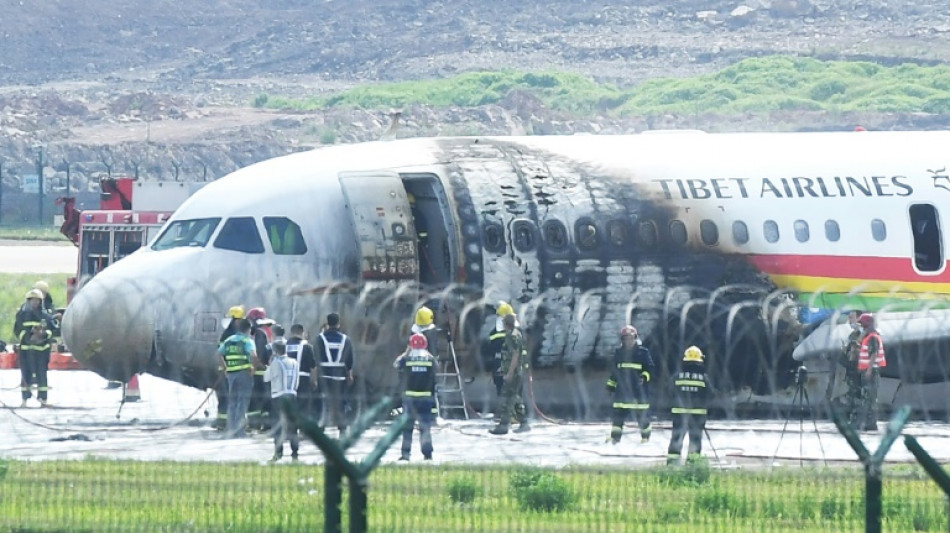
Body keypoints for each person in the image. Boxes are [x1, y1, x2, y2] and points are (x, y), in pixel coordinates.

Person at [606, 325, 655, 444]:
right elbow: (615, 372)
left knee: (642, 416)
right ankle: (615, 438)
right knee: (618, 417)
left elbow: (650, 368)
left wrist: (644, 377)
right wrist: (610, 386)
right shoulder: (619, 353)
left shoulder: (643, 352)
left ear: (635, 338)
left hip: (638, 391)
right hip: (622, 391)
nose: (628, 341)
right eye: (625, 338)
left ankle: (645, 438)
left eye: (630, 338)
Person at [393, 333, 437, 461]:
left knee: (407, 429)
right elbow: (435, 378)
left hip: (410, 399)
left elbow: (396, 364)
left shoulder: (407, 359)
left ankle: (405, 455)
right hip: (426, 399)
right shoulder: (430, 359)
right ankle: (427, 454)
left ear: (411, 345)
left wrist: (406, 352)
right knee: (425, 428)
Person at [667, 345, 709, 465]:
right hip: (697, 416)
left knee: (676, 438)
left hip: (679, 414)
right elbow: (711, 395)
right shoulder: (703, 378)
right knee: (695, 440)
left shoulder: (676, 376)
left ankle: (672, 464)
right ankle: (693, 465)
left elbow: (669, 391)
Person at [217, 318, 260, 438]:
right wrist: (253, 368)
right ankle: (240, 431)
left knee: (232, 402)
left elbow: (219, 354)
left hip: (231, 375)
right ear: (248, 329)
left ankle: (230, 430)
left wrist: (225, 368)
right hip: (244, 374)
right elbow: (254, 356)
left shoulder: (228, 340)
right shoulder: (247, 341)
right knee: (242, 402)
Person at [313, 312, 355, 433]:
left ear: (327, 323)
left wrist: (314, 378)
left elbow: (315, 358)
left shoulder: (319, 339)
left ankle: (321, 427)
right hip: (340, 377)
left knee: (323, 402)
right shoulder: (346, 339)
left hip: (324, 376)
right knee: (341, 402)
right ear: (338, 324)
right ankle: (342, 428)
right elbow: (349, 360)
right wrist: (349, 375)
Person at [15, 289, 57, 407]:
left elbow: (52, 330)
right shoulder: (22, 315)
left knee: (41, 375)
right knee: (25, 374)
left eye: (37, 300)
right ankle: (25, 400)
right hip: (26, 351)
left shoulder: (45, 316)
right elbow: (17, 330)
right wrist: (29, 336)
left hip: (41, 351)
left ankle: (43, 399)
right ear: (28, 301)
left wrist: (43, 335)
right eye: (32, 300)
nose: (35, 303)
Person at [489, 313, 530, 435]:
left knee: (506, 398)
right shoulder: (516, 334)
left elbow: (515, 355)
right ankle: (524, 422)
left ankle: (503, 426)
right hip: (514, 372)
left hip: (513, 373)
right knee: (515, 398)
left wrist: (510, 372)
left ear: (505, 324)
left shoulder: (512, 336)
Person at [264, 339, 300, 462]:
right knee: (293, 425)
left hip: (278, 397)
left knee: (278, 425)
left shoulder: (275, 363)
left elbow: (266, 378)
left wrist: (269, 364)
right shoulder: (294, 362)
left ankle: (278, 453)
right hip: (292, 395)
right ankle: (295, 453)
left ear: (275, 351)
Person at [213, 305, 246, 430]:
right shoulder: (236, 336)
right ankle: (230, 423)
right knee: (233, 397)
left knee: (224, 397)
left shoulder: (226, 334)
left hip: (226, 371)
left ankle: (222, 423)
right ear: (238, 320)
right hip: (232, 371)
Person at [855, 313, 886, 432]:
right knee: (866, 397)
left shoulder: (873, 337)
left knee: (870, 398)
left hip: (871, 372)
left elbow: (874, 354)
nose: (861, 326)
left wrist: (869, 370)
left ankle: (871, 424)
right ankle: (868, 423)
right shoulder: (867, 336)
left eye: (862, 324)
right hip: (867, 371)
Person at [246, 307, 274, 431]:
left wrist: (255, 365)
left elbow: (258, 353)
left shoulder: (259, 334)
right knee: (265, 399)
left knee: (254, 399)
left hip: (258, 371)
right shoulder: (266, 332)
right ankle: (266, 424)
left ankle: (254, 424)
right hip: (265, 371)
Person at [286, 324, 318, 420]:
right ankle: (303, 428)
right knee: (303, 405)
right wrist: (314, 381)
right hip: (303, 378)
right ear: (302, 333)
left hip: (288, 379)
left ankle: (291, 429)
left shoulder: (285, 345)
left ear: (291, 332)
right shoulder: (307, 347)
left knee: (290, 404)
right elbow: (313, 366)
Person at [837, 310, 864, 426]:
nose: (849, 320)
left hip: (860, 370)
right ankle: (852, 418)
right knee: (851, 395)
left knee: (859, 395)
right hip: (851, 369)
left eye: (851, 317)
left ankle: (858, 418)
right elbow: (848, 356)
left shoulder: (864, 335)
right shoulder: (852, 335)